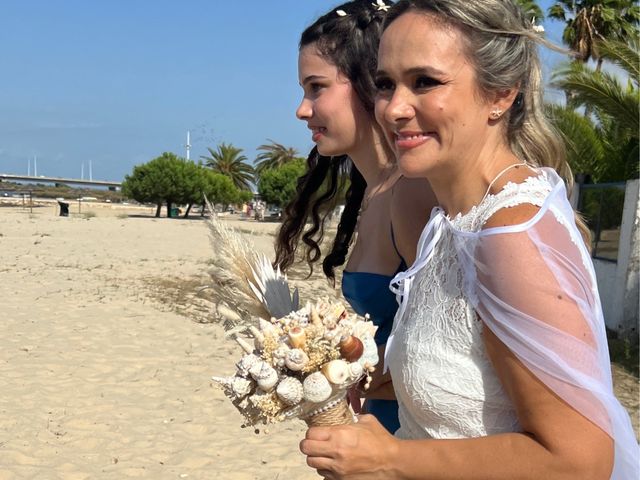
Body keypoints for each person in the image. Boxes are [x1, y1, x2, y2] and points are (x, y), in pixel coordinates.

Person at [299, 1, 639, 479]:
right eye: (384, 84)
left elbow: (580, 462)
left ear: (500, 93)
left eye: (425, 82)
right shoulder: (451, 222)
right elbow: (479, 384)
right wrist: (364, 377)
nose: (394, 108)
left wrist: (391, 459)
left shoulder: (509, 234)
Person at [274, 0, 436, 434]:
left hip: (411, 436)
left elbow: (449, 360)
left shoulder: (410, 193)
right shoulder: (377, 192)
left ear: (367, 82)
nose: (302, 109)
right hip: (379, 425)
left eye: (316, 87)